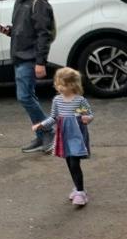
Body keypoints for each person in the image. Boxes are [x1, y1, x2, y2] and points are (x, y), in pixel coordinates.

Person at [0, 0, 57, 154]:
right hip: (19, 55)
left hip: (29, 57)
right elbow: (23, 29)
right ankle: (42, 136)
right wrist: (9, 31)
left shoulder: (38, 3)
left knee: (24, 97)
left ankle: (47, 130)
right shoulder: (21, 0)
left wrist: (40, 62)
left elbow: (43, 34)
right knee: (28, 96)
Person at [32, 66, 94, 205]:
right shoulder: (57, 101)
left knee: (74, 162)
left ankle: (81, 192)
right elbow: (53, 117)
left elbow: (88, 114)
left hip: (77, 135)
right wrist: (41, 125)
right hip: (64, 136)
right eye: (57, 84)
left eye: (63, 84)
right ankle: (77, 187)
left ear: (72, 85)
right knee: (69, 163)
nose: (59, 87)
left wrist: (87, 118)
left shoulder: (79, 100)